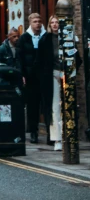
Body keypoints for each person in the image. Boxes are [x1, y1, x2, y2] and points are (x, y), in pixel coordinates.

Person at [39, 15, 81, 151]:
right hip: (53, 75)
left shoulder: (68, 38)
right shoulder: (45, 39)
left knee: (68, 106)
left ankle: (69, 136)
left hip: (66, 75)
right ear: (49, 25)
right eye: (52, 22)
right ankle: (57, 139)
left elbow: (77, 58)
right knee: (55, 107)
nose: (55, 25)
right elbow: (41, 61)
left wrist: (70, 72)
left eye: (57, 22)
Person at [17, 12, 45, 143]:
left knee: (46, 105)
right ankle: (33, 132)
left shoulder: (46, 36)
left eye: (39, 21)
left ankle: (51, 134)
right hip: (30, 77)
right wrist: (22, 74)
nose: (37, 23)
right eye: (35, 21)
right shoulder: (24, 38)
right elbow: (19, 58)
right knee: (32, 106)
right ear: (30, 23)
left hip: (44, 75)